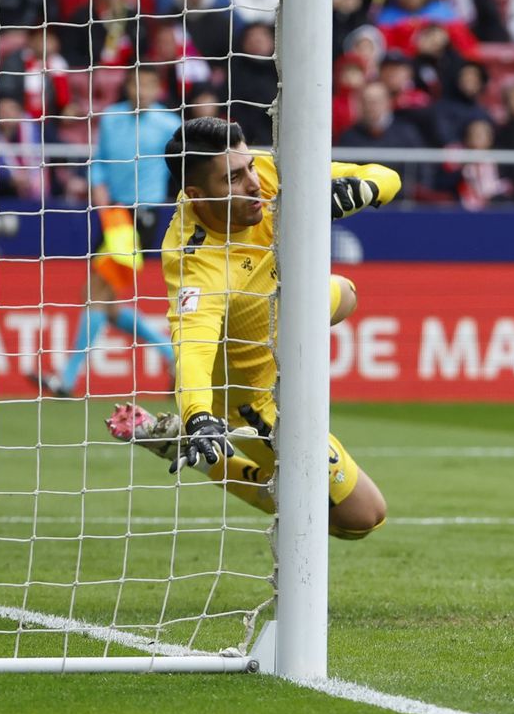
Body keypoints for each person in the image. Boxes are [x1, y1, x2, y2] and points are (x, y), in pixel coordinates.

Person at [105, 117, 396, 541]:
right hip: (249, 399)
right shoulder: (196, 261)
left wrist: (361, 191)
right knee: (361, 518)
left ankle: (286, 353)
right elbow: (194, 346)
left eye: (249, 167)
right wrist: (199, 416)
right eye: (234, 178)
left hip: (278, 327)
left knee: (345, 292)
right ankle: (197, 452)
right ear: (198, 195)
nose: (254, 183)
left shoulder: (266, 171)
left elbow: (385, 176)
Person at [30, 68, 181, 398]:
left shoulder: (170, 123)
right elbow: (100, 160)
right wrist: (97, 186)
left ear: (158, 87)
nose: (142, 89)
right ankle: (173, 358)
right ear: (127, 86)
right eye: (136, 82)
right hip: (112, 212)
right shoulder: (112, 118)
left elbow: (182, 166)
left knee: (96, 292)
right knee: (103, 300)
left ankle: (67, 381)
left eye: (150, 82)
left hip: (142, 214)